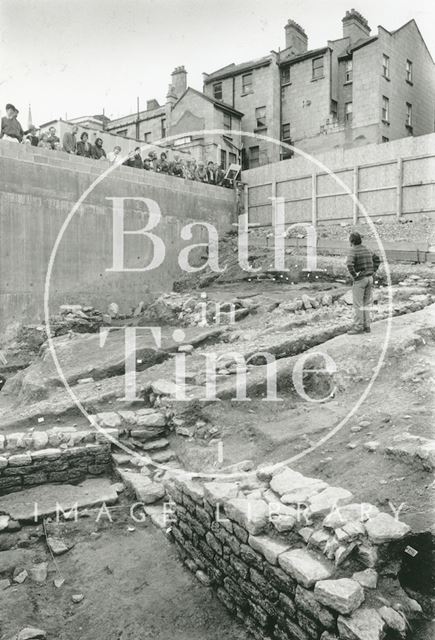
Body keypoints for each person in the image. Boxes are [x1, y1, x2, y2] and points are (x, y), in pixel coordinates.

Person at [346, 232, 380, 335]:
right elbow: (377, 259)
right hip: (370, 278)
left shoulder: (353, 251)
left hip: (360, 280)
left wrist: (355, 276)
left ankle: (358, 327)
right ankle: (367, 326)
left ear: (351, 241)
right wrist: (373, 270)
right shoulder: (367, 249)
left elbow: (349, 264)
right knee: (366, 303)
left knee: (358, 304)